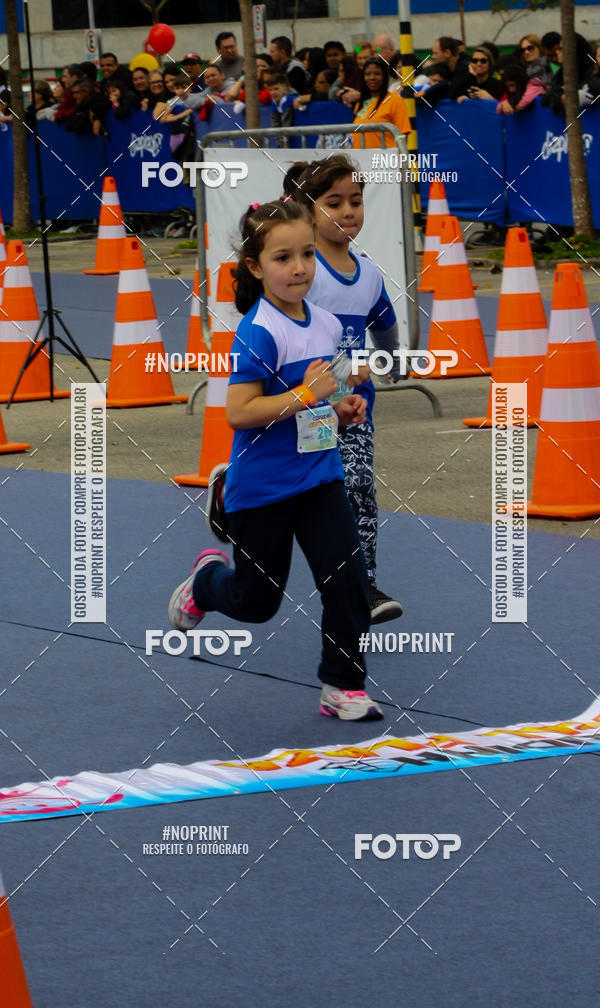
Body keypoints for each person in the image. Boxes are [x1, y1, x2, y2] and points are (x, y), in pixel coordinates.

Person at [168, 198, 383, 722]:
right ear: (255, 267)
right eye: (283, 258)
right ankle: (205, 582)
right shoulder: (259, 331)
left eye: (307, 254)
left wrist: (341, 408)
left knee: (348, 581)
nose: (299, 268)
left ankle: (343, 686)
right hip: (263, 489)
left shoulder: (328, 325)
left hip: (319, 477)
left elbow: (320, 397)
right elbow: (239, 413)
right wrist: (309, 396)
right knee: (257, 603)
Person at [283, 155, 403, 624]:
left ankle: (363, 586)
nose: (348, 211)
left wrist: (388, 360)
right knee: (297, 495)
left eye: (355, 201)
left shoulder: (368, 272)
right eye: (334, 203)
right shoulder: (302, 272)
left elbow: (384, 323)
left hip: (353, 410)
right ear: (309, 210)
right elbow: (286, 330)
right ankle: (234, 489)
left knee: (356, 489)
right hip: (305, 404)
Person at [344, 56, 411, 148]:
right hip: (360, 159)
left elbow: (403, 136)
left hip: (385, 160)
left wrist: (394, 160)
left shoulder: (395, 100)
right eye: (367, 74)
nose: (372, 77)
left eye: (377, 73)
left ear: (384, 76)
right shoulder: (360, 104)